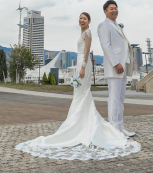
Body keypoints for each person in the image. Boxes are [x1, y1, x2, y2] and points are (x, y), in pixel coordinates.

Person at [15, 12, 140, 161]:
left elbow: (87, 51)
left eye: (84, 18)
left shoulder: (88, 32)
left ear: (89, 21)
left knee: (83, 92)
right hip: (80, 63)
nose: (81, 20)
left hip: (83, 64)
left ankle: (83, 124)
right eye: (80, 18)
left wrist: (82, 67)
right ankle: (78, 121)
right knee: (79, 94)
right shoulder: (82, 32)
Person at [96, 0, 135, 137]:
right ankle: (113, 130)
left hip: (123, 66)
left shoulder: (117, 25)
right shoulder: (104, 25)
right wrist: (116, 63)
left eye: (116, 8)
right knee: (114, 97)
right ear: (105, 11)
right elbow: (106, 46)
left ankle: (120, 126)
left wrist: (123, 63)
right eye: (111, 8)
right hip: (115, 67)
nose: (114, 10)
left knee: (120, 98)